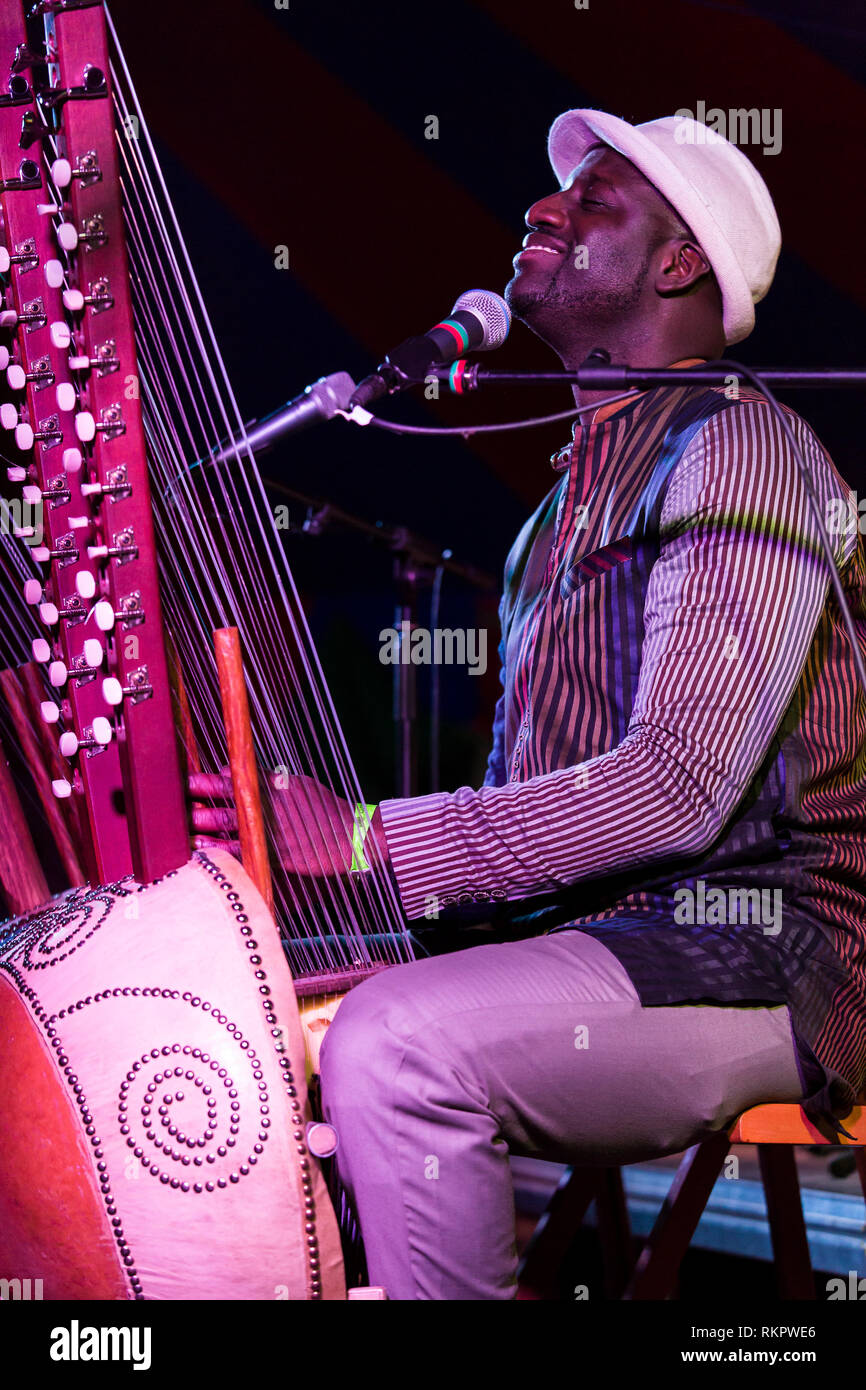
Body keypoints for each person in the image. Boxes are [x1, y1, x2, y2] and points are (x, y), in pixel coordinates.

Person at [193, 109, 866, 1300]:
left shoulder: (741, 452)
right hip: (608, 939)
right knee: (239, 1019)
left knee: (398, 1044)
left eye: (590, 203)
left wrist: (364, 842)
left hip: (757, 950)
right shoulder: (548, 525)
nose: (540, 211)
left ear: (676, 264)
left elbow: (673, 788)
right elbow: (532, 816)